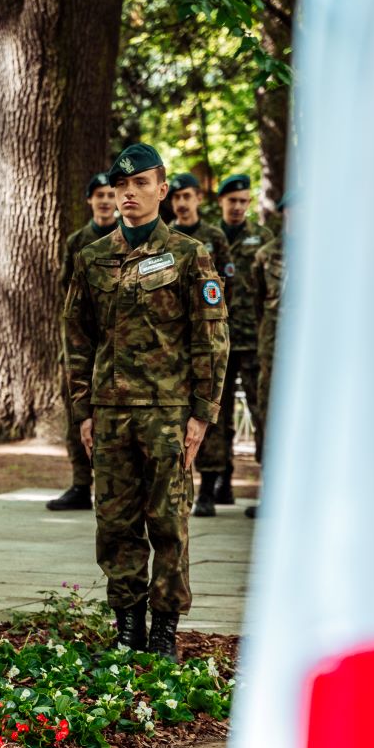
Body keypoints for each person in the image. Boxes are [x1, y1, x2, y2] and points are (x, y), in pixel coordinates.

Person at [63, 144, 230, 659]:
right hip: (110, 415)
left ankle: (163, 632)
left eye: (140, 183)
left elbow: (211, 340)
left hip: (167, 415)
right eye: (122, 185)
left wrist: (202, 414)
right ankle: (128, 628)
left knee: (168, 523)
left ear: (162, 189)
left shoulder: (189, 254)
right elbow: (77, 339)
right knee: (115, 525)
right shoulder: (92, 257)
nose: (129, 193)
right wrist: (83, 412)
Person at [198, 174, 273, 504]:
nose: (238, 207)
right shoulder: (207, 237)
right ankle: (214, 482)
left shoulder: (263, 238)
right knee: (215, 413)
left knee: (262, 413)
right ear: (221, 202)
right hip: (217, 338)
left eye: (244, 201)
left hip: (253, 340)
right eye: (233, 201)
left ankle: (270, 485)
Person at [166, 172, 236, 517]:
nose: (182, 203)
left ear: (198, 199)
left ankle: (209, 487)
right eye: (177, 197)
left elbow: (226, 287)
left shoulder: (213, 237)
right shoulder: (164, 237)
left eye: (187, 197)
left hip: (207, 337)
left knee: (210, 411)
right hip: (173, 343)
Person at [48, 172, 119, 511]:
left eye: (109, 194)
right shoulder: (77, 241)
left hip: (117, 344)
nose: (105, 201)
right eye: (99, 195)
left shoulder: (128, 238)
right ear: (89, 200)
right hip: (81, 342)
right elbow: (66, 291)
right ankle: (80, 484)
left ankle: (112, 484)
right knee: (78, 412)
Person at [249, 191, 294, 519]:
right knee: (271, 420)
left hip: (314, 361)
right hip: (274, 355)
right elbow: (256, 304)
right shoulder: (266, 255)